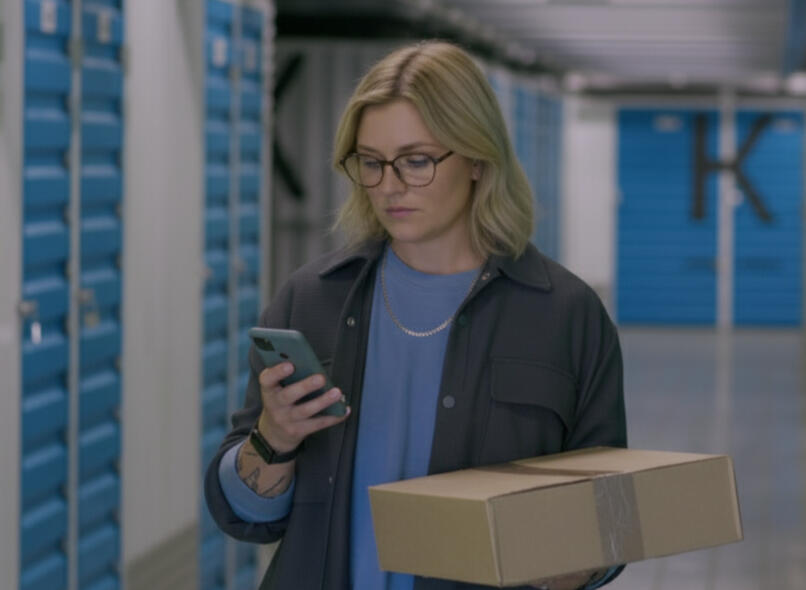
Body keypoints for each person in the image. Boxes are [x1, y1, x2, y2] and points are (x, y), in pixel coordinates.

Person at [205, 40, 626, 590]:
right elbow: (247, 517)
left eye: (416, 161)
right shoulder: (311, 300)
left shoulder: (567, 315)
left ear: (478, 158)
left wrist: (577, 562)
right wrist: (271, 439)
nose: (389, 186)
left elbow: (613, 517)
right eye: (371, 163)